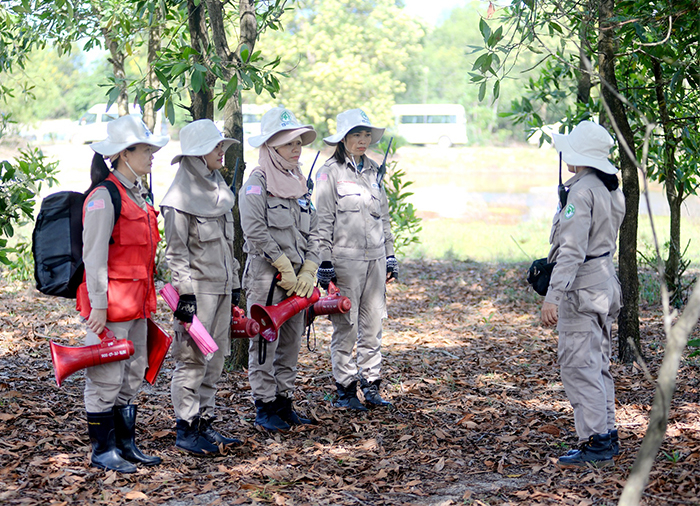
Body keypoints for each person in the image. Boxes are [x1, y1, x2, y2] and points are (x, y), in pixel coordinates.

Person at [76, 114, 169, 473]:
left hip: (137, 305)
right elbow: (94, 255)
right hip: (111, 307)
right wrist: (98, 305)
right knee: (106, 378)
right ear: (123, 154)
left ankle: (125, 446)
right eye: (145, 150)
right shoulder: (105, 196)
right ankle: (103, 451)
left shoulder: (139, 195)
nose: (151, 156)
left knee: (132, 375)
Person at [540, 121, 625, 468]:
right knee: (598, 364)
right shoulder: (609, 188)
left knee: (579, 366)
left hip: (583, 289)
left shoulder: (581, 192)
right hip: (604, 283)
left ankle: (596, 441)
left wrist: (553, 295)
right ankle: (607, 434)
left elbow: (573, 251)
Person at [160, 119, 242, 456]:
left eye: (221, 145)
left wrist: (234, 284)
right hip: (197, 293)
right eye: (215, 146)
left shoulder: (219, 190)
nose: (221, 152)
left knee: (216, 359)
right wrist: (186, 294)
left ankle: (204, 422)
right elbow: (176, 253)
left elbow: (227, 243)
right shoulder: (178, 199)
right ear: (197, 153)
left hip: (220, 289)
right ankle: (186, 428)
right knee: (192, 361)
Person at [239, 107, 320, 431]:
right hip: (267, 276)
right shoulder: (258, 182)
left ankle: (284, 402)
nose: (296, 148)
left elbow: (315, 230)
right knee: (264, 343)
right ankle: (265, 406)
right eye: (289, 143)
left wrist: (309, 267)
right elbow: (254, 228)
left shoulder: (300, 183)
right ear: (271, 146)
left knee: (290, 342)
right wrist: (282, 263)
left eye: (298, 142)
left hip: (298, 279)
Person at [314, 109, 397, 411]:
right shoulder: (330, 172)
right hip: (345, 262)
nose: (363, 140)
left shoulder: (374, 171)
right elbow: (322, 221)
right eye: (356, 135)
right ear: (343, 138)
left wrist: (390, 255)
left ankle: (372, 386)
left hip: (375, 259)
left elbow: (383, 217)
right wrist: (324, 261)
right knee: (346, 328)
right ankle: (346, 390)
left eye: (366, 135)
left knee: (373, 325)